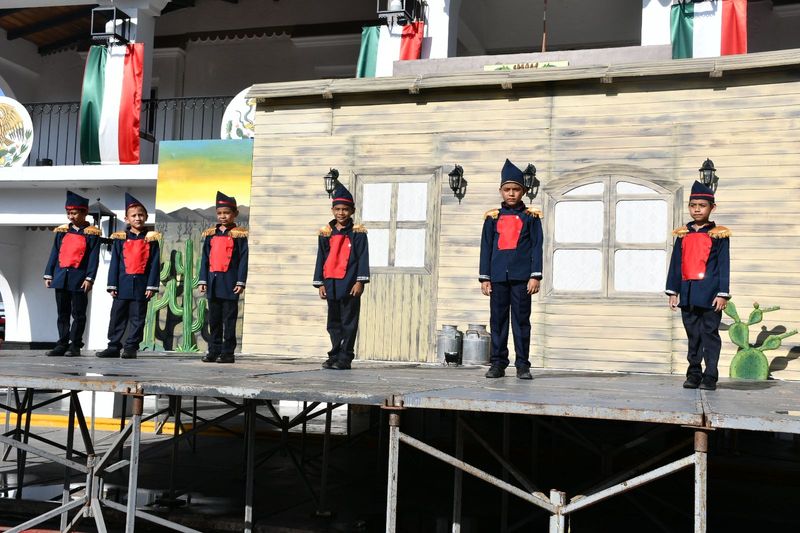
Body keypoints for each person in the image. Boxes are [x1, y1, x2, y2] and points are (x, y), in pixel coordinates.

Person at [479, 159, 544, 380]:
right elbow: (486, 247)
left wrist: (535, 275)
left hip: (521, 278)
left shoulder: (531, 217)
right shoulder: (492, 218)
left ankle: (523, 365)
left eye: (516, 189)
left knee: (521, 321)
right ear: (501, 191)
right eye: (507, 190)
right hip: (497, 277)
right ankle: (498, 363)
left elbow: (537, 246)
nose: (512, 194)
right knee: (497, 321)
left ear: (523, 191)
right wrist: (484, 277)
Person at [666, 181, 730, 391]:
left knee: (709, 335)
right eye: (693, 205)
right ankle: (693, 373)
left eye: (702, 205)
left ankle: (710, 375)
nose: (697, 209)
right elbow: (677, 264)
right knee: (693, 336)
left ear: (712, 207)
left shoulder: (718, 234)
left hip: (711, 295)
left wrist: (722, 294)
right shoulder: (683, 234)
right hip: (688, 294)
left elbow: (723, 265)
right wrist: (673, 291)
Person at [96, 194, 161, 359]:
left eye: (141, 215)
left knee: (137, 317)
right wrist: (112, 284)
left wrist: (151, 286)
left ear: (146, 217)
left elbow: (154, 264)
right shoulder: (120, 239)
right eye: (134, 215)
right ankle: (113, 346)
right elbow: (115, 263)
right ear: (127, 218)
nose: (138, 218)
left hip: (141, 284)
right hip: (122, 284)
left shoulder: (151, 239)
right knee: (117, 316)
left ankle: (131, 346)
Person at [313, 185, 369, 370]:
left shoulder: (358, 233)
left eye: (345, 209)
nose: (341, 213)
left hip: (349, 283)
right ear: (332, 210)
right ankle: (334, 354)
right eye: (337, 209)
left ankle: (345, 357)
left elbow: (362, 257)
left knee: (349, 322)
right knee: (333, 323)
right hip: (331, 283)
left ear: (352, 211)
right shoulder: (326, 233)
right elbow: (321, 257)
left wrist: (359, 281)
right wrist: (320, 283)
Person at [43, 191, 102, 357]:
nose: (71, 216)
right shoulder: (62, 231)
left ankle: (75, 345)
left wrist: (89, 278)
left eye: (74, 213)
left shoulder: (92, 233)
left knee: (78, 314)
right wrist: (49, 274)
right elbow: (55, 253)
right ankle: (62, 343)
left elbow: (93, 258)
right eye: (69, 213)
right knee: (62, 313)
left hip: (79, 278)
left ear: (84, 213)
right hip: (61, 277)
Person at [198, 191, 248, 364]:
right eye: (219, 213)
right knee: (214, 319)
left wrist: (241, 281)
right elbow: (205, 258)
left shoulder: (239, 234)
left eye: (226, 213)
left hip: (230, 283)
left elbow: (243, 260)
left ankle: (227, 352)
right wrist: (203, 280)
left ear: (235, 214)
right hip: (213, 282)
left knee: (229, 319)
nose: (223, 216)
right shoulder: (211, 234)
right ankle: (214, 350)